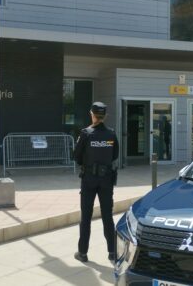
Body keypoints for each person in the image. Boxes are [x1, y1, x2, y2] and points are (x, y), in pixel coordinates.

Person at [73, 101, 119, 264]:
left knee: (86, 217)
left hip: (89, 180)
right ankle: (112, 252)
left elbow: (76, 156)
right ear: (105, 116)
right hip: (106, 179)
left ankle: (83, 253)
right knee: (107, 216)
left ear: (92, 114)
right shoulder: (111, 134)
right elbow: (115, 155)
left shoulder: (86, 133)